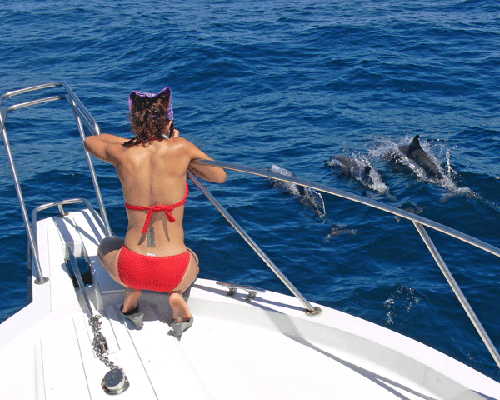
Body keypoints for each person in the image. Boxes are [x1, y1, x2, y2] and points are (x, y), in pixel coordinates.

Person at [84, 86, 226, 337]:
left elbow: (91, 141)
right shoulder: (181, 148)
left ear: (134, 120)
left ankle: (132, 293)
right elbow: (219, 175)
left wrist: (136, 140)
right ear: (168, 120)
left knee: (106, 245)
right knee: (190, 256)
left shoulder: (122, 153)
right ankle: (175, 296)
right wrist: (176, 149)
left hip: (131, 268)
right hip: (174, 272)